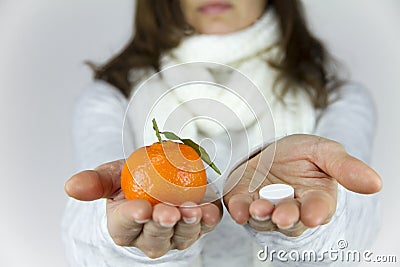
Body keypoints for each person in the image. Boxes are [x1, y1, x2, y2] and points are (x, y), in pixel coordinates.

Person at [62, 1, 382, 266]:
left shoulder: (336, 98)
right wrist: (132, 246)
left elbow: (356, 230)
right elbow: (84, 231)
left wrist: (309, 228)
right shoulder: (112, 97)